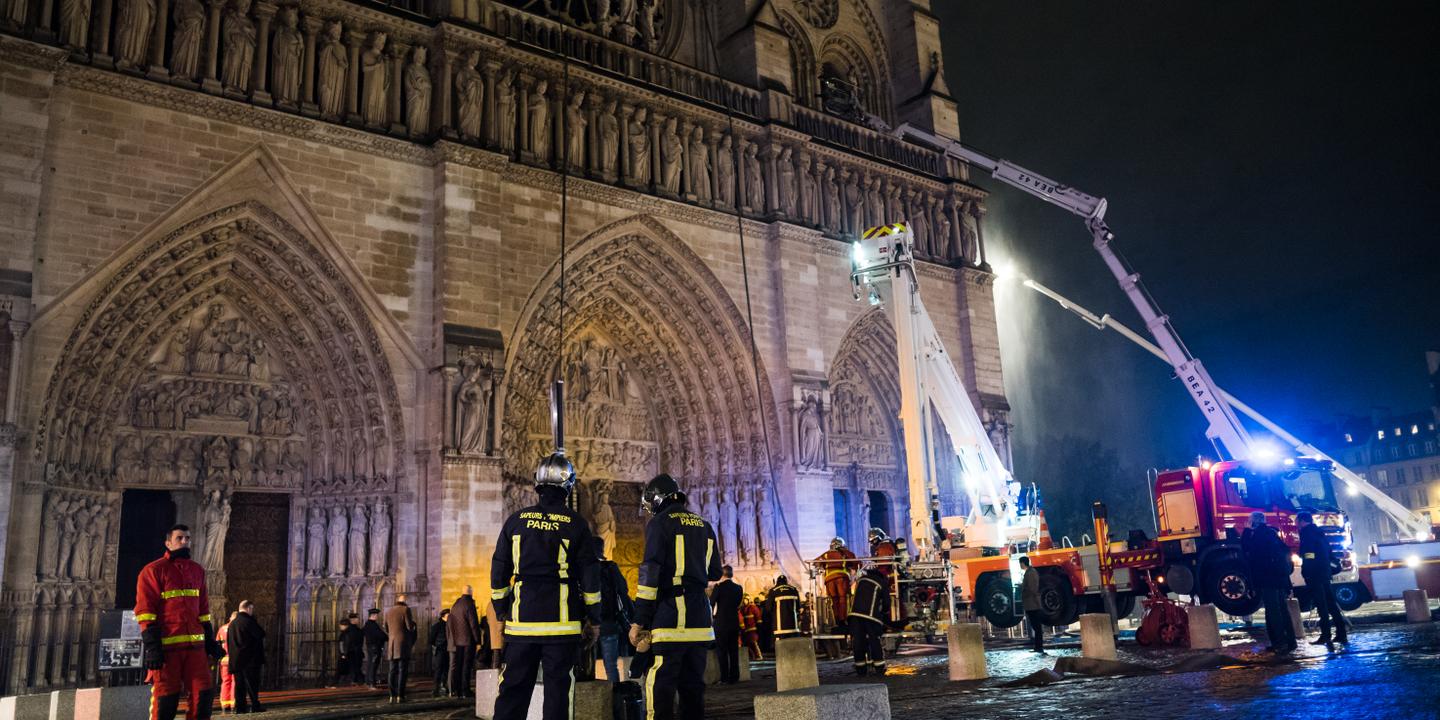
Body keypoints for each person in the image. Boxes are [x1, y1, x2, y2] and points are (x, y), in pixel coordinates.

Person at [490, 453, 602, 720]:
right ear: (569, 486)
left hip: (522, 623)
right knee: (557, 694)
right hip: (562, 625)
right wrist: (594, 619)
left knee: (513, 692)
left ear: (537, 484)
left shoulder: (516, 521)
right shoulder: (577, 525)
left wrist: (502, 612)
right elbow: (590, 577)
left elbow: (499, 573)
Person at [629, 473, 723, 720]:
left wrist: (640, 620)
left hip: (671, 619)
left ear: (657, 499)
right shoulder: (705, 525)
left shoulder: (659, 524)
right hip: (700, 622)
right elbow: (714, 571)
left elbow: (650, 575)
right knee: (693, 691)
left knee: (660, 687)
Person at [134, 524, 224, 720]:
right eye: (180, 538)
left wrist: (209, 641)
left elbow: (204, 611)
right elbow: (145, 612)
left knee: (204, 696)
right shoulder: (152, 571)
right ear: (168, 543)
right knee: (165, 701)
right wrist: (152, 648)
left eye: (187, 538)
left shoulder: (197, 570)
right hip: (167, 651)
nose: (185, 542)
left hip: (196, 650)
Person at [1241, 511, 1296, 653]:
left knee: (1273, 612)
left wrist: (1246, 531)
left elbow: (1247, 551)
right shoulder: (1273, 534)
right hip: (1279, 579)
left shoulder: (1258, 536)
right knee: (1282, 610)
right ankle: (1290, 641)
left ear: (1254, 522)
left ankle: (1280, 643)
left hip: (1267, 579)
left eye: (1249, 521)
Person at [1298, 512, 1348, 647]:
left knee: (1322, 605)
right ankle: (1341, 633)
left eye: (1298, 521)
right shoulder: (1319, 533)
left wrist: (1306, 570)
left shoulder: (1307, 533)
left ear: (1302, 521)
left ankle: (1326, 635)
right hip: (1325, 572)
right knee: (1331, 604)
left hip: (1315, 574)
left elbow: (1308, 554)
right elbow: (1327, 552)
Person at [596, 541, 634, 682]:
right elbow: (623, 591)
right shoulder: (611, 568)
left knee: (584, 665)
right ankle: (614, 698)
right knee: (611, 666)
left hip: (587, 624)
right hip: (609, 622)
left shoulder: (585, 567)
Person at [848, 565, 890, 675]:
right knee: (874, 640)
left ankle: (861, 669)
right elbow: (886, 604)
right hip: (870, 617)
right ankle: (879, 668)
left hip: (855, 615)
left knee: (858, 641)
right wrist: (884, 614)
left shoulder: (861, 580)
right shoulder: (882, 583)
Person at [226, 599, 266, 714]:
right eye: (252, 609)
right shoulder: (249, 621)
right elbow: (260, 634)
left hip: (237, 660)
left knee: (239, 686)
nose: (252, 611)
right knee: (252, 684)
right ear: (248, 608)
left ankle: (240, 708)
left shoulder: (232, 624)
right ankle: (255, 705)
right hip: (250, 660)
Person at [813, 538, 860, 631]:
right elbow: (856, 562)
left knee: (834, 600)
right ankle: (844, 620)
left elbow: (816, 562)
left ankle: (837, 620)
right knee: (843, 598)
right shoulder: (845, 553)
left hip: (829, 580)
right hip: (841, 578)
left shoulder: (826, 554)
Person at [710, 565, 744, 684]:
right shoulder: (738, 588)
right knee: (733, 650)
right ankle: (734, 677)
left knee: (722, 651)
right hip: (734, 622)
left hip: (721, 622)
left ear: (722, 574)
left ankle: (724, 678)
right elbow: (739, 604)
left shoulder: (719, 587)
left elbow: (712, 603)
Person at [447, 586, 482, 698]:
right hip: (468, 641)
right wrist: (478, 640)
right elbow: (473, 624)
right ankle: (465, 690)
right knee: (467, 666)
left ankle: (457, 690)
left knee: (458, 666)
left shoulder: (455, 605)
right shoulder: (469, 605)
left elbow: (450, 623)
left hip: (457, 641)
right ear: (471, 593)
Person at [385, 595, 417, 703]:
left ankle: (391, 695)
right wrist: (413, 625)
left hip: (392, 644)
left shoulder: (389, 611)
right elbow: (409, 627)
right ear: (405, 601)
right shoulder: (405, 609)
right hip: (402, 644)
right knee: (402, 670)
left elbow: (386, 628)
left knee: (392, 670)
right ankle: (400, 695)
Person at [868, 528, 901, 624]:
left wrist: (876, 574)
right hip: (890, 576)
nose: (873, 543)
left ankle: (890, 621)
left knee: (887, 599)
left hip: (888, 577)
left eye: (874, 540)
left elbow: (883, 565)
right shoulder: (886, 545)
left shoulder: (884, 546)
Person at [1019, 557, 1045, 654]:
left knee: (1036, 626)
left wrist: (1023, 590)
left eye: (1020, 563)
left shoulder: (1030, 573)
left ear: (1022, 563)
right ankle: (1038, 646)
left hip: (1032, 603)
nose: (1020, 565)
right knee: (1036, 626)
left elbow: (1032, 588)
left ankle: (1039, 647)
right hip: (1031, 603)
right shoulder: (1030, 572)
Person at [216, 612, 237, 714]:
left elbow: (217, 643)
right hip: (234, 659)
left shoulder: (222, 628)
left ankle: (224, 705)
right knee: (234, 682)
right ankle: (233, 704)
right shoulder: (236, 628)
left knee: (225, 682)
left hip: (224, 659)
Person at [362, 608, 388, 687]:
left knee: (370, 664)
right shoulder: (373, 625)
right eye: (376, 615)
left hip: (370, 647)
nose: (377, 616)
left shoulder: (367, 624)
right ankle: (372, 683)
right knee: (374, 665)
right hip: (375, 647)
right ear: (373, 615)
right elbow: (380, 635)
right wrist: (387, 637)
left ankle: (368, 681)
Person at [337, 614, 364, 686]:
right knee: (354, 668)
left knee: (356, 668)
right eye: (357, 619)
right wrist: (343, 653)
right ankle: (356, 681)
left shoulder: (356, 630)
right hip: (352, 652)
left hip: (355, 652)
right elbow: (344, 642)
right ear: (353, 620)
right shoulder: (350, 631)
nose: (358, 620)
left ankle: (356, 681)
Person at [428, 609, 450, 697]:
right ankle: (439, 688)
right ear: (443, 616)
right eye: (448, 616)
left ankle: (439, 688)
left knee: (442, 670)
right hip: (442, 650)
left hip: (442, 649)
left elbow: (431, 640)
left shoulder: (437, 626)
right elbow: (431, 639)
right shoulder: (439, 626)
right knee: (442, 670)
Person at [740, 596, 763, 660]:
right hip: (746, 629)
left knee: (754, 643)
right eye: (744, 600)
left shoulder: (753, 607)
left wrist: (759, 627)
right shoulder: (742, 609)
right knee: (747, 644)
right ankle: (752, 656)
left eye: (746, 600)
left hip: (753, 629)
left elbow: (758, 617)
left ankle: (758, 656)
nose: (745, 601)